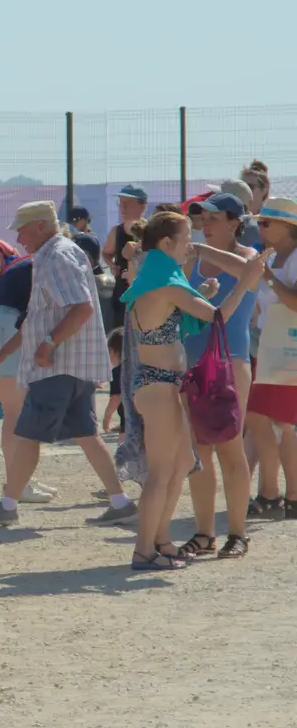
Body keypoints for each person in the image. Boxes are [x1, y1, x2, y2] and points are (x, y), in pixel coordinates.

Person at [0, 201, 137, 527]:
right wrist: (5, 351)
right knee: (86, 435)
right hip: (70, 365)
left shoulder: (57, 256)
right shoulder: (57, 254)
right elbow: (39, 317)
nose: (18, 237)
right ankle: (120, 501)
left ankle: (7, 506)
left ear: (39, 226)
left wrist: (49, 343)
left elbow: (82, 307)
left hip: (57, 366)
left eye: (21, 229)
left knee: (29, 435)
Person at [120, 212, 262, 569]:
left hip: (159, 384)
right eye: (185, 240)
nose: (190, 248)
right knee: (162, 471)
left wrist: (198, 293)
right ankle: (144, 550)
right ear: (166, 244)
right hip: (160, 385)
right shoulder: (166, 282)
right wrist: (244, 282)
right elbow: (217, 318)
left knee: (182, 462)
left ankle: (161, 540)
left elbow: (171, 324)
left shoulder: (155, 277)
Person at [176, 193, 265, 558]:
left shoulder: (246, 256)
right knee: (199, 452)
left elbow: (250, 271)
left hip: (232, 362)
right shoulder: (193, 258)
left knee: (230, 448)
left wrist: (199, 251)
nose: (205, 223)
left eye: (214, 217)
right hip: (193, 366)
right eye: (202, 217)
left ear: (234, 222)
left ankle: (238, 533)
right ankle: (204, 532)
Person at [0, 251, 58, 505]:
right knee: (16, 412)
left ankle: (21, 478)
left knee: (14, 410)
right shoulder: (50, 261)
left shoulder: (30, 262)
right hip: (5, 324)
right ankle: (18, 484)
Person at [246, 197, 297, 519]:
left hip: (287, 350)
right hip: (269, 347)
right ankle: (280, 494)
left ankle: (275, 494)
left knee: (270, 420)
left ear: (288, 226)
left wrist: (266, 276)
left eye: (266, 222)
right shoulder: (275, 256)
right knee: (276, 422)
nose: (259, 228)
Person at [105, 185, 149, 329]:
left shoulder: (151, 231)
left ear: (142, 206)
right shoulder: (116, 231)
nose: (122, 208)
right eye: (120, 203)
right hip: (122, 291)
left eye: (128, 203)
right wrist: (112, 266)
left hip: (145, 290)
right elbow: (106, 253)